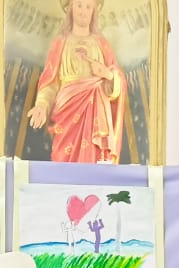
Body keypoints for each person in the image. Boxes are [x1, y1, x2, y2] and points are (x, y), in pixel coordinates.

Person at [26, 0, 127, 163]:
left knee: (94, 163)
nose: (83, 11)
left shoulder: (102, 44)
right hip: (67, 112)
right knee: (64, 162)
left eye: (88, 6)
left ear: (94, 11)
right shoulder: (60, 43)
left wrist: (107, 75)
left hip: (96, 112)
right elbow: (50, 82)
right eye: (79, 5)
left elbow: (118, 81)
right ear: (70, 8)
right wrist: (42, 105)